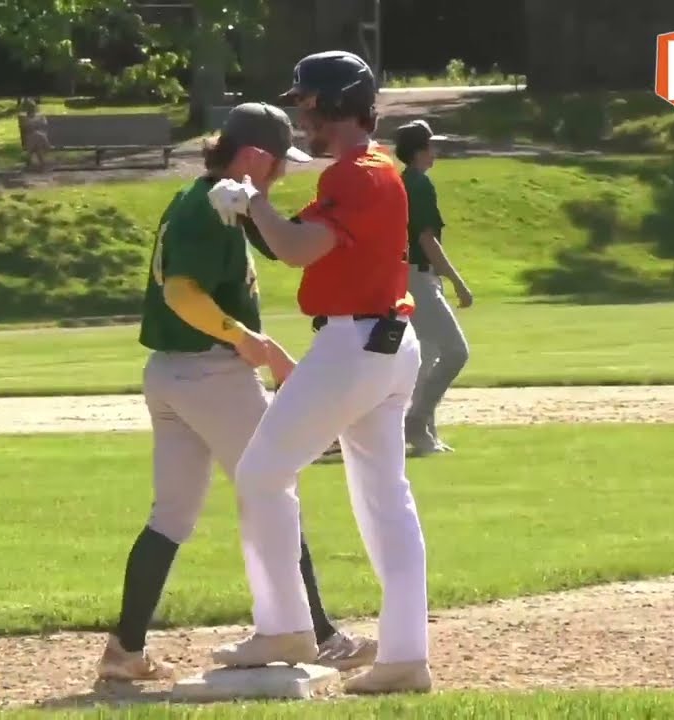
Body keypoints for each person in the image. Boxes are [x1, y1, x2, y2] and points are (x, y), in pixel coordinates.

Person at [97, 102, 378, 681]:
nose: (279, 175)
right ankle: (321, 635)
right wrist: (255, 343)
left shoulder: (211, 199)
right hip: (212, 375)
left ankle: (125, 652)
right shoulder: (210, 208)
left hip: (171, 374)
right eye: (276, 165)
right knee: (273, 487)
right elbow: (181, 293)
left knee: (171, 515)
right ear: (253, 157)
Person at [205, 50, 433, 694]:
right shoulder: (369, 171)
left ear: (335, 104)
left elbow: (299, 248)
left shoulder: (356, 176)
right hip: (388, 345)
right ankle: (405, 657)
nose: (300, 115)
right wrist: (258, 206)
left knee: (261, 474)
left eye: (307, 103)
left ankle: (284, 626)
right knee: (387, 501)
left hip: (353, 346)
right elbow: (285, 242)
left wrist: (254, 199)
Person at [394, 119, 473, 456]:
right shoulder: (419, 185)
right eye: (431, 145)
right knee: (456, 352)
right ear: (419, 151)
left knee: (426, 357)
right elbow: (426, 239)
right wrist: (458, 282)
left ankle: (425, 434)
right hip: (418, 277)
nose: (435, 151)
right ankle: (417, 420)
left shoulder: (404, 182)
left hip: (407, 276)